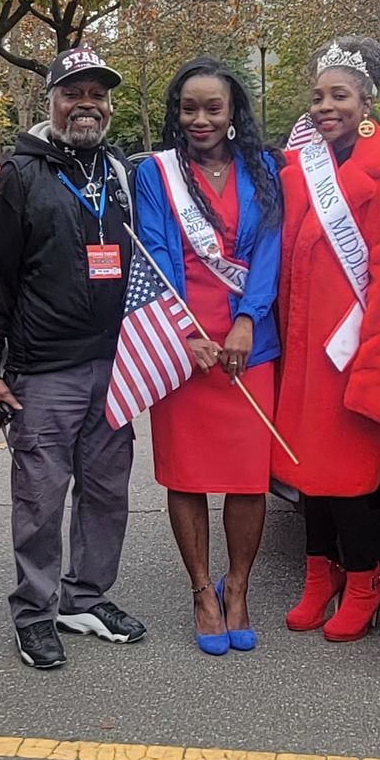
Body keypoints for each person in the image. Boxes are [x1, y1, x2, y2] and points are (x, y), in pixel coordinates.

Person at [0, 47, 146, 670]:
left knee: (107, 492)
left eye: (97, 94)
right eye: (73, 93)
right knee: (40, 496)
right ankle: (35, 611)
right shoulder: (23, 174)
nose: (86, 105)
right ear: (51, 101)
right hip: (45, 370)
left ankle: (86, 597)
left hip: (116, 366)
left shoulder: (120, 172)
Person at [132, 58, 284, 655]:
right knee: (188, 476)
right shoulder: (156, 174)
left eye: (212, 108)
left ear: (231, 114)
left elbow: (269, 252)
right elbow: (157, 251)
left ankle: (238, 587)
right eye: (188, 108)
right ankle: (201, 589)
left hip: (251, 342)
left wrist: (248, 319)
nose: (199, 119)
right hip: (184, 344)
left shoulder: (262, 167)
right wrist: (187, 333)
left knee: (248, 478)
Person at [272, 36, 380, 643]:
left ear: (367, 103)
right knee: (308, 472)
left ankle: (365, 577)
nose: (325, 106)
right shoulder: (303, 171)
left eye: (340, 95)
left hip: (352, 352)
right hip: (304, 348)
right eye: (319, 96)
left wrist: (378, 368)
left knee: (350, 479)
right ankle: (320, 573)